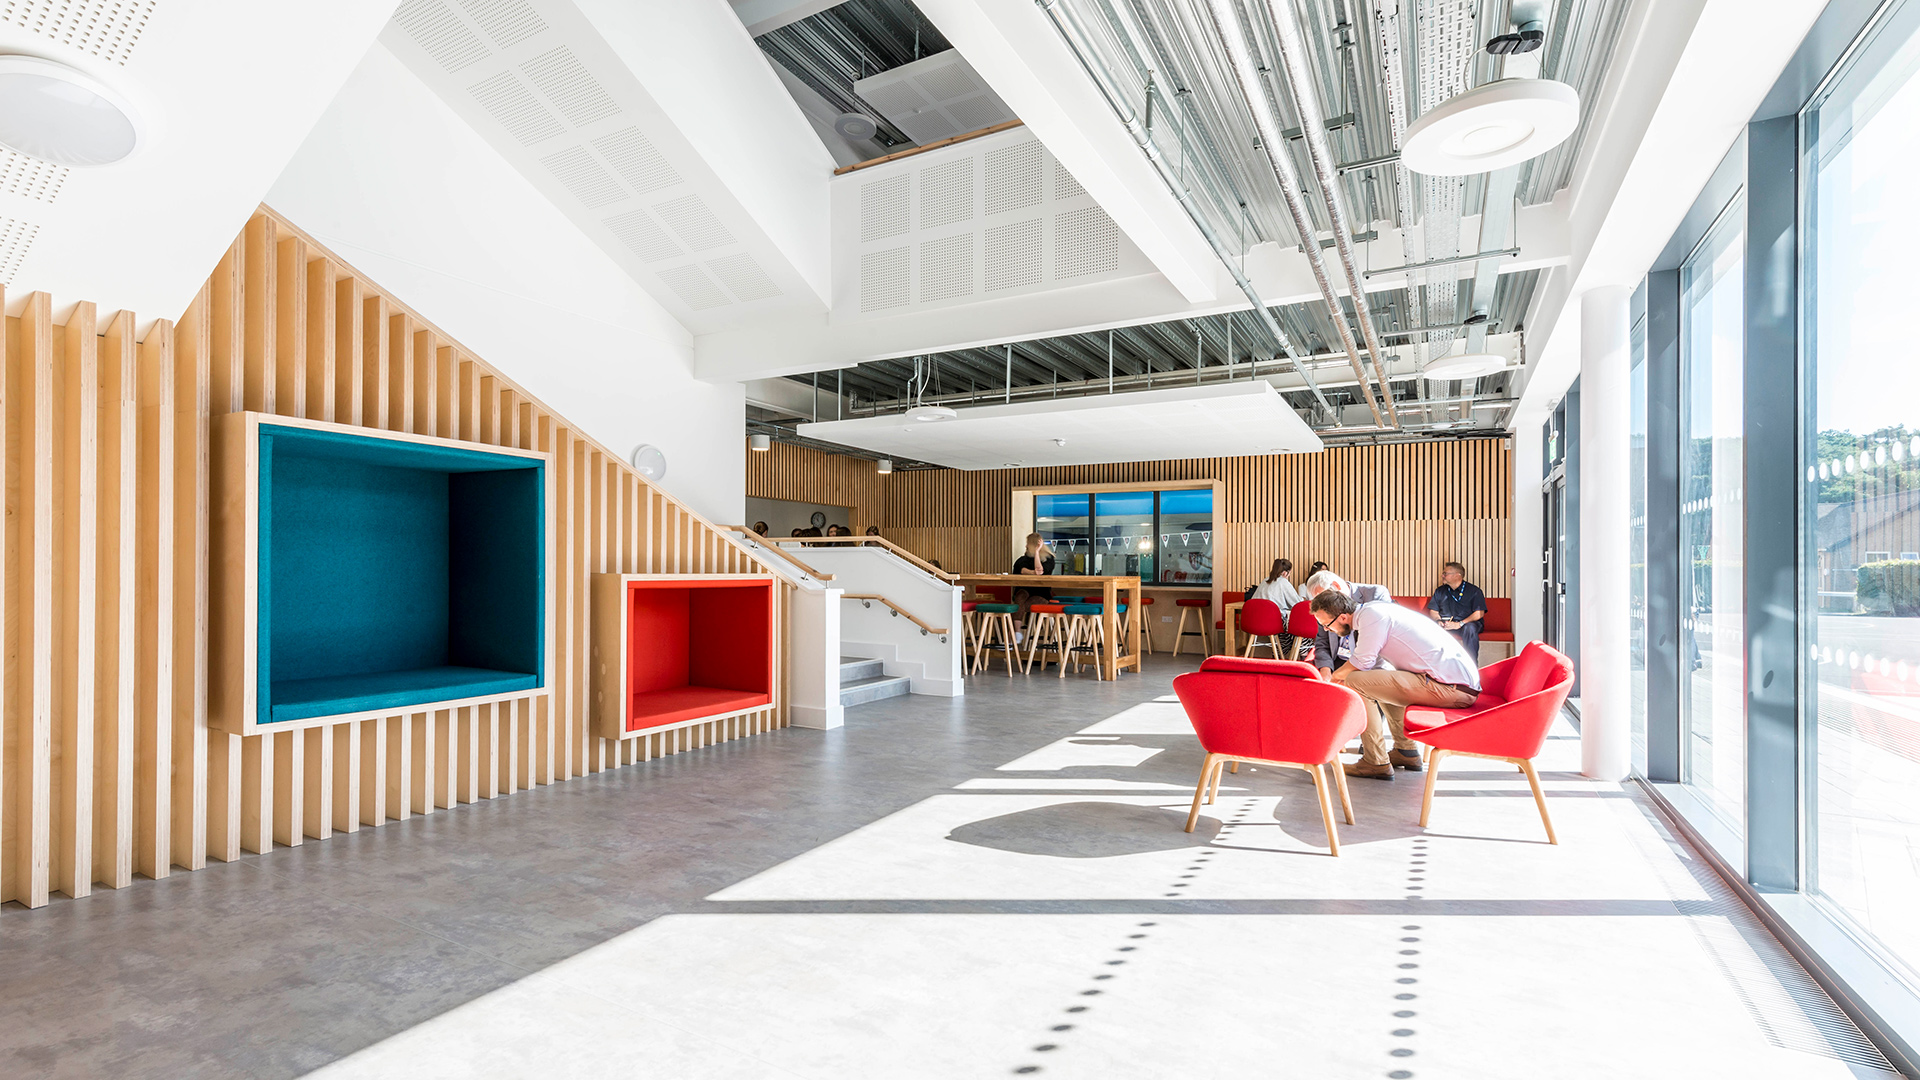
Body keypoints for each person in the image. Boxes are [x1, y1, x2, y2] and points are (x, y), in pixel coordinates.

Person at [1310, 590, 1480, 780]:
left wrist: (1332, 680)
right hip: (1453, 685)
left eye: (1326, 625)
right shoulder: (1375, 610)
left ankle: (1374, 761)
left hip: (1451, 689)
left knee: (1355, 681)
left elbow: (1361, 663)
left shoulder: (1371, 617)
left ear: (1342, 617)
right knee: (1377, 679)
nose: (1325, 630)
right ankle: (1405, 751)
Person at [1428, 561, 1487, 661]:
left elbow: (1479, 613)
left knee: (1470, 629)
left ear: (1457, 576)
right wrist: (1439, 621)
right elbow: (1433, 610)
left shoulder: (1474, 591)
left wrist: (1460, 624)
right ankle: (1435, 667)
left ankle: (1470, 665)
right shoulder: (1440, 591)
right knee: (1432, 628)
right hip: (1447, 624)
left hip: (1467, 624)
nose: (1442, 576)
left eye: (1445, 574)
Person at [1011, 532, 1055, 623]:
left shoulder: (1049, 559)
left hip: (1042, 593)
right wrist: (1033, 572)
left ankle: (1018, 632)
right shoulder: (1023, 559)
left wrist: (1036, 552)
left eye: (1027, 543)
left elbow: (1039, 571)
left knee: (1020, 605)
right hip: (1024, 590)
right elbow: (1022, 570)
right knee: (1020, 596)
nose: (1026, 546)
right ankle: (1017, 632)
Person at [1302, 568, 1390, 605]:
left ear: (1336, 586)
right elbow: (1322, 641)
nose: (1323, 603)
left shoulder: (1376, 594)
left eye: (1324, 597)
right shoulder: (1324, 606)